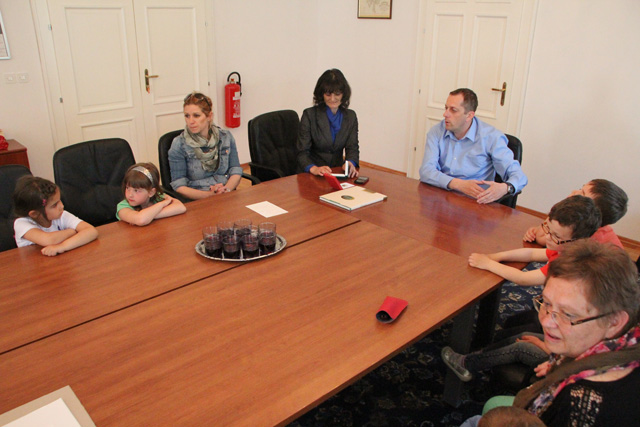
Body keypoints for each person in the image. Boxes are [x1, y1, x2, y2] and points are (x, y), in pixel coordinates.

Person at [461, 240, 640, 426]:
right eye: (546, 303)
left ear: (614, 322)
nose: (545, 322)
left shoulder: (581, 403)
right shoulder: (626, 339)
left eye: (568, 314)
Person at [419, 88, 527, 204]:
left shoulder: (491, 137)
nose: (445, 114)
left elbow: (519, 176)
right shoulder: (436, 131)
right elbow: (426, 171)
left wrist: (505, 188)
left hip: (475, 202)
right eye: (446, 108)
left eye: (453, 110)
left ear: (469, 115)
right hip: (441, 197)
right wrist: (458, 184)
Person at [468, 195, 601, 286]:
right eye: (548, 228)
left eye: (556, 236)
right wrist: (497, 256)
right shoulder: (564, 247)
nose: (547, 237)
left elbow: (523, 278)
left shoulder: (569, 263)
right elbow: (531, 253)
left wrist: (488, 264)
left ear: (578, 241)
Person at [168, 92, 243, 200]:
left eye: (196, 116)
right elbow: (179, 185)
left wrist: (226, 190)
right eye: (187, 116)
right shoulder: (179, 144)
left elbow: (235, 169)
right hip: (198, 199)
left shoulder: (225, 137)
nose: (190, 121)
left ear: (209, 116)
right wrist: (209, 195)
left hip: (225, 194)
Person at [524, 178, 627, 248]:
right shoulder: (592, 223)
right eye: (580, 188)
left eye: (582, 194)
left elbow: (541, 238)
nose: (574, 192)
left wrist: (541, 231)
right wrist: (540, 229)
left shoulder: (584, 234)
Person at [297, 68, 359, 178]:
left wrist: (350, 163)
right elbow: (302, 152)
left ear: (343, 94)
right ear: (321, 94)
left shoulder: (350, 116)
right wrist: (314, 168)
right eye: (328, 94)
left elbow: (352, 148)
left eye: (337, 94)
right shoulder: (309, 115)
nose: (333, 99)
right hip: (312, 174)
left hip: (337, 173)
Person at [12, 176, 98, 256]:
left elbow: (91, 231)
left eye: (59, 200)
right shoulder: (21, 224)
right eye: (54, 205)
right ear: (35, 214)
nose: (62, 206)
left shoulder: (61, 215)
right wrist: (72, 231)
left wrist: (62, 247)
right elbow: (49, 240)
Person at [442, 331, 549, 383]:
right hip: (559, 351)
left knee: (521, 348)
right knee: (525, 335)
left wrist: (538, 343)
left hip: (557, 362)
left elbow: (558, 353)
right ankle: (481, 355)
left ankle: (465, 364)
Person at [116, 163, 186, 226]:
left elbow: (181, 207)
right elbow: (141, 220)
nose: (130, 195)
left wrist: (150, 216)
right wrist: (162, 204)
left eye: (136, 190)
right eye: (127, 188)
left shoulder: (157, 196)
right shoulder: (123, 206)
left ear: (151, 192)